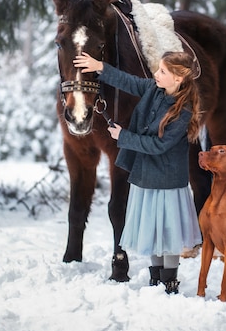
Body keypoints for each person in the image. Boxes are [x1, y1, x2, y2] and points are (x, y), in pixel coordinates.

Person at [74, 50, 203, 294]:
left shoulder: (182, 112)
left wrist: (123, 136)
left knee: (169, 232)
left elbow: (158, 146)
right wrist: (99, 66)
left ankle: (170, 280)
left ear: (178, 78)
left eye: (163, 71)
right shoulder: (154, 89)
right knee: (154, 229)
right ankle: (156, 278)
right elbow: (128, 81)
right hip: (147, 177)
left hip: (168, 183)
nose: (156, 74)